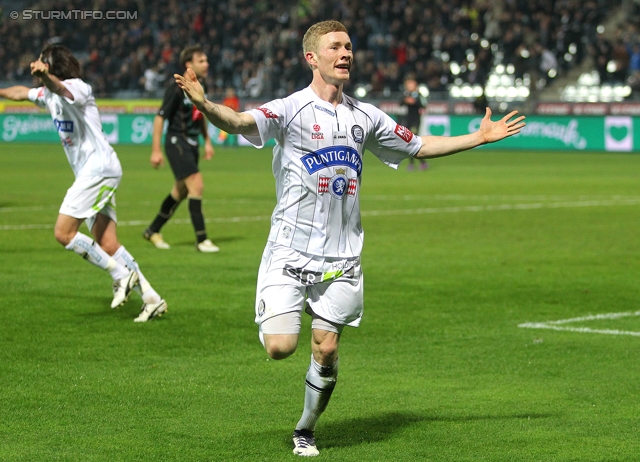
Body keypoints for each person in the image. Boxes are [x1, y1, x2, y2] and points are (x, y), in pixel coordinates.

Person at [175, 20, 525, 457]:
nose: (345, 54)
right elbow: (239, 120)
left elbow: (417, 145)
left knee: (326, 347)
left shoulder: (366, 116)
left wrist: (479, 137)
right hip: (290, 249)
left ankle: (305, 428)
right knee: (280, 347)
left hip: (342, 256)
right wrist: (206, 105)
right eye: (335, 47)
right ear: (312, 58)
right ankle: (287, 325)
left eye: (349, 47)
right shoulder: (290, 109)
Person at [0, 44, 167, 323]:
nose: (36, 64)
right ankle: (151, 298)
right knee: (108, 243)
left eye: (42, 61)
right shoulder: (45, 94)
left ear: (50, 66)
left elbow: (61, 89)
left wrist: (45, 76)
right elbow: (19, 93)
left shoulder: (78, 87)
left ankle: (120, 275)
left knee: (63, 233)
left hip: (98, 169)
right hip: (95, 173)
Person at [143, 45, 219, 253]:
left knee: (181, 190)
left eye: (206, 60)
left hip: (192, 144)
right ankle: (202, 240)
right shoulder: (176, 88)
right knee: (197, 184)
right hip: (177, 142)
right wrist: (156, 150)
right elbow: (160, 118)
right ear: (189, 64)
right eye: (201, 61)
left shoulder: (200, 86)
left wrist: (207, 141)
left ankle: (153, 230)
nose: (206, 64)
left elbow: (201, 114)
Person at [400, 75, 429, 171]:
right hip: (408, 120)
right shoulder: (406, 94)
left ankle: (418, 163)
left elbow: (423, 105)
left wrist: (414, 102)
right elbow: (400, 103)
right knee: (409, 142)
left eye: (410, 84)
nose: (409, 86)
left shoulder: (419, 94)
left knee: (413, 141)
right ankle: (418, 163)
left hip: (416, 120)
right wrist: (405, 100)